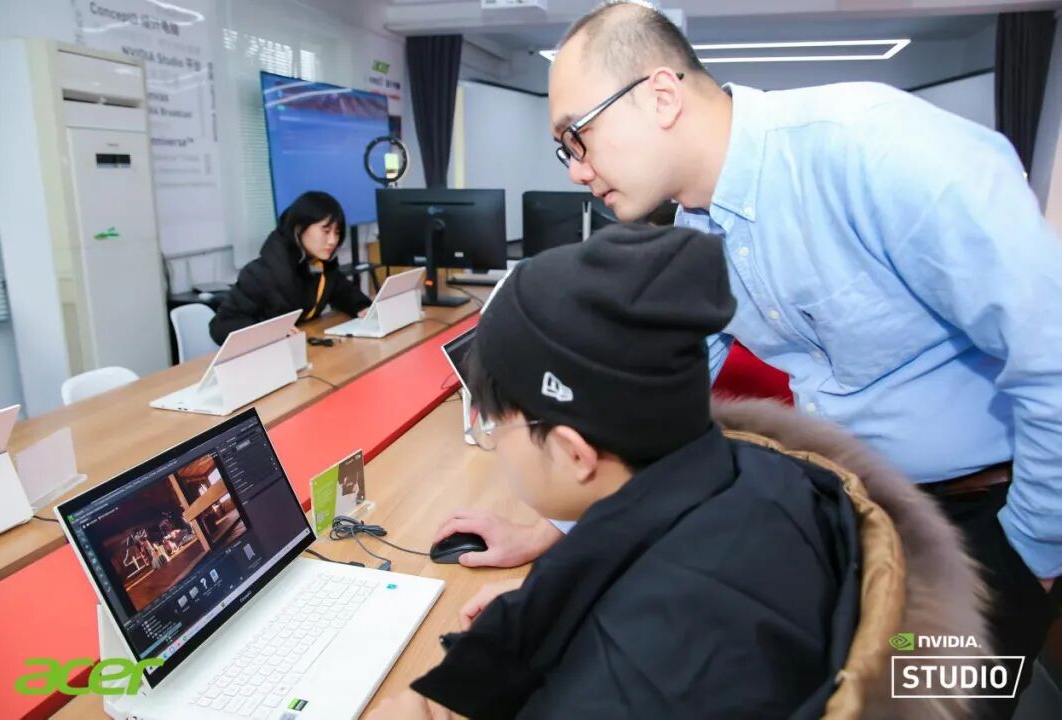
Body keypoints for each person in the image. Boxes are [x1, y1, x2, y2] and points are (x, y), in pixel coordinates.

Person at [441, 3, 1061, 714]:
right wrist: (554, 537)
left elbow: (1053, 355)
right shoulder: (699, 231)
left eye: (576, 138)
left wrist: (1031, 553)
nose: (578, 170)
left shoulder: (875, 148)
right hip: (867, 512)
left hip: (993, 519)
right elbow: (655, 414)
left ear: (661, 96)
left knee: (944, 705)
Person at [370, 224, 987, 720]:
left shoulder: (638, 679)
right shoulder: (758, 475)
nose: (494, 443)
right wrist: (551, 608)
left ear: (574, 453)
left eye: (494, 424)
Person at [208, 191, 371, 344]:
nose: (333, 240)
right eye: (326, 231)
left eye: (337, 232)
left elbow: (342, 290)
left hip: (300, 348)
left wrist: (361, 306)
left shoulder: (321, 265)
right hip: (267, 355)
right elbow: (222, 326)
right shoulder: (261, 273)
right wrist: (270, 332)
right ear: (299, 228)